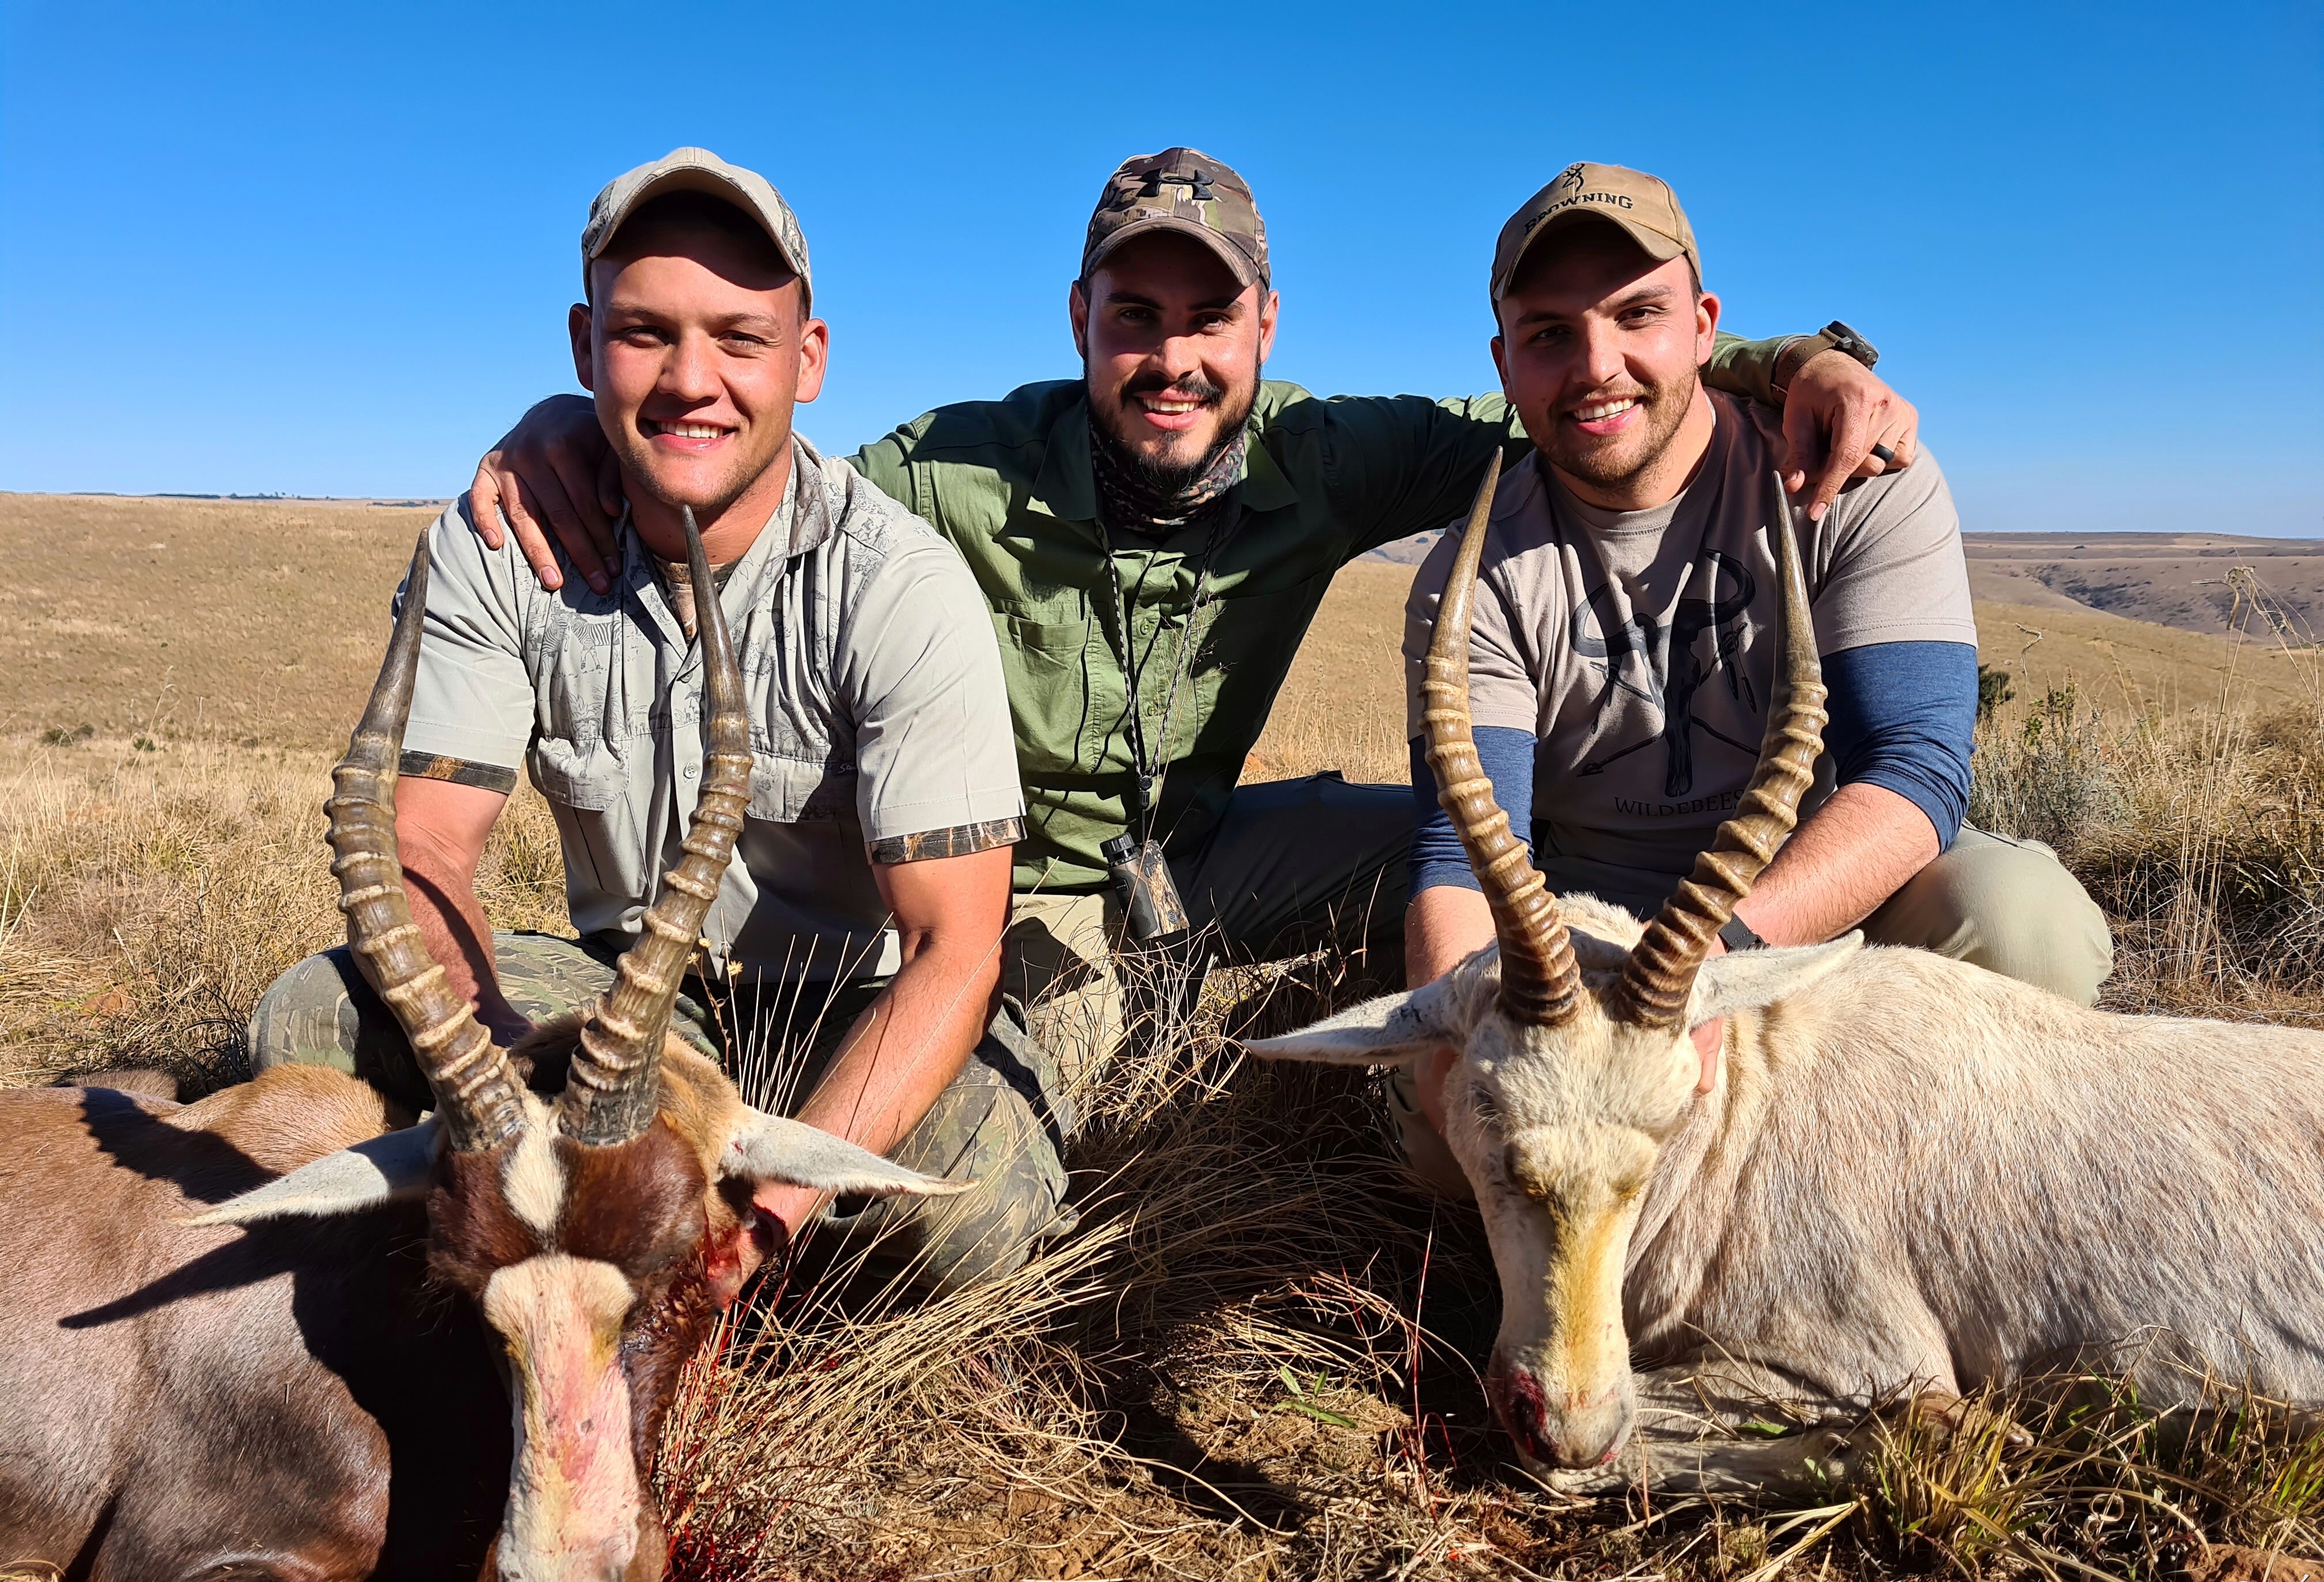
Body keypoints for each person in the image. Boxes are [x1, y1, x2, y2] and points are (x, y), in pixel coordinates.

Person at [467, 148, 1923, 1084]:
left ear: (1265, 328)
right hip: (1024, 885)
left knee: (1453, 851)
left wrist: (1806, 361)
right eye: (1135, 317)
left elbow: (1588, 401)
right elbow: (763, 473)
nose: (1173, 358)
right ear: (1081, 323)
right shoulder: (949, 470)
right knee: (1071, 1084)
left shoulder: (1328, 454)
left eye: (1207, 319)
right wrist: (577, 426)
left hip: (1214, 852)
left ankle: (1546, 1052)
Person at [251, 149, 1069, 1296]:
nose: (693, 380)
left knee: (975, 1212)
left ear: (809, 359)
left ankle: (720, 1267)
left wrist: (756, 1236)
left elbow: (954, 950)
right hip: (630, 1009)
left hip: (845, 1012)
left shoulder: (900, 586)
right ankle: (527, 1249)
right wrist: (496, 1092)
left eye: (740, 338)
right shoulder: (493, 549)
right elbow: (426, 847)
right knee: (310, 1021)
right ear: (584, 344)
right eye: (646, 334)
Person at [1395, 162, 2112, 1181]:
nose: (1597, 365)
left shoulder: (1858, 477)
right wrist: (1475, 1033)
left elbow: (1913, 770)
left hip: (1810, 905)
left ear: (1704, 325)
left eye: (1637, 313)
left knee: (2020, 930)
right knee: (1441, 1126)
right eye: (1551, 334)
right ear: (1505, 365)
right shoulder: (1473, 575)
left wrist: (1714, 956)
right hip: (1582, 943)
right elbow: (1465, 852)